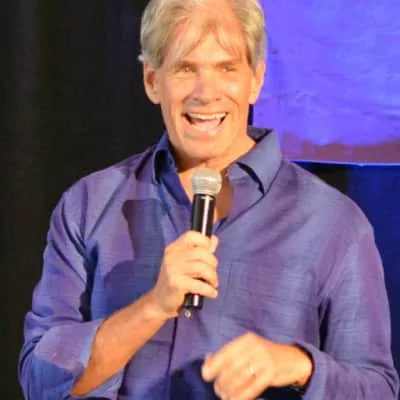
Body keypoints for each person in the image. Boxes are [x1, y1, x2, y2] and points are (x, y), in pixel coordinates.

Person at [18, 0, 399, 398]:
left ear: (256, 79)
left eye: (226, 68)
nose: (206, 93)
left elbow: (377, 389)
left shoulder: (334, 222)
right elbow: (40, 382)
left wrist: (297, 365)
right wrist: (152, 307)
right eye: (186, 68)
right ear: (152, 81)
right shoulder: (89, 205)